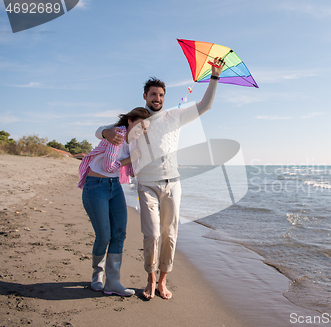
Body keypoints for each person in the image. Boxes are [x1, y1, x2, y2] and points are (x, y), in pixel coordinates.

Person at [94, 58, 225, 300]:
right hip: (146, 185)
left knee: (170, 235)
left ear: (165, 97)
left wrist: (214, 76)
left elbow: (206, 105)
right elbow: (100, 129)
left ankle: (163, 280)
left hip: (173, 184)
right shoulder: (135, 120)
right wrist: (105, 132)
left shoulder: (175, 116)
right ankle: (150, 278)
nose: (158, 98)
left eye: (161, 94)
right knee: (152, 234)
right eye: (153, 94)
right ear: (145, 95)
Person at [78, 107, 151, 296]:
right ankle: (98, 274)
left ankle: (113, 282)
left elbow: (130, 170)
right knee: (104, 235)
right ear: (130, 121)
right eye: (140, 125)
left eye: (145, 129)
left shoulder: (133, 142)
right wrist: (130, 159)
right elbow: (109, 166)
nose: (141, 130)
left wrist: (137, 161)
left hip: (114, 186)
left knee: (119, 234)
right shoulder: (118, 135)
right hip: (96, 186)